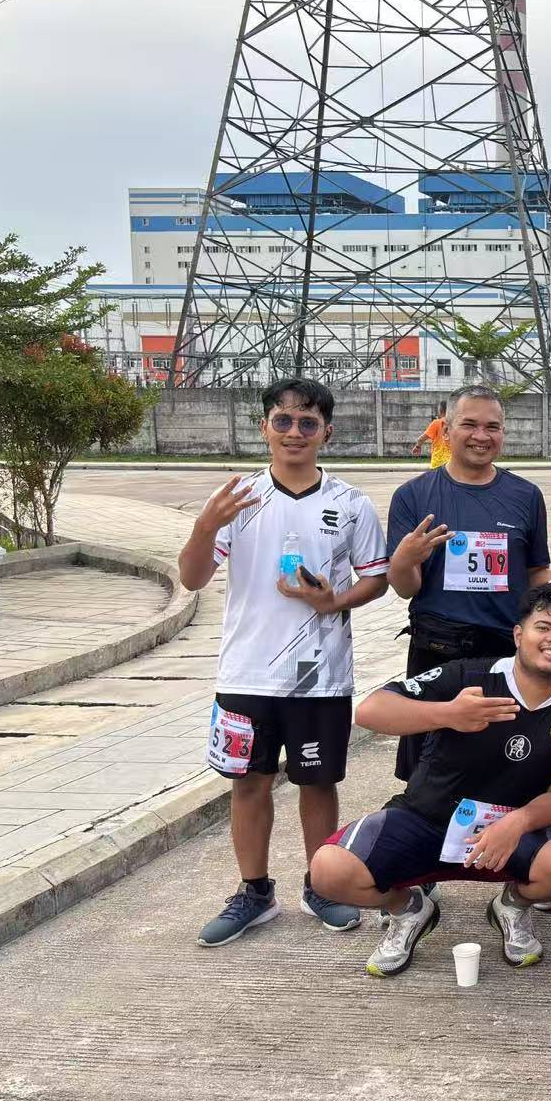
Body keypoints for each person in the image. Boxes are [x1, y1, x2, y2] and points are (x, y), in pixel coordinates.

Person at [180, 378, 390, 947]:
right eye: (283, 421)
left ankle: (322, 886)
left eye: (307, 423)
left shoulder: (350, 503)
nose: (295, 432)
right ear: (264, 427)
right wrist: (205, 526)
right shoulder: (237, 500)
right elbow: (192, 578)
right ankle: (254, 892)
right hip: (247, 671)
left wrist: (333, 602)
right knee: (248, 783)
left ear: (327, 432)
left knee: (317, 783)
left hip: (320, 674)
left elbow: (376, 578)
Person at [311, 581, 551, 977]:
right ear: (519, 634)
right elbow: (370, 711)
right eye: (544, 627)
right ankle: (408, 909)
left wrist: (517, 822)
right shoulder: (469, 676)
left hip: (511, 832)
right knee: (328, 870)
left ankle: (512, 906)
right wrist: (449, 714)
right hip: (426, 819)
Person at [385, 385, 551, 781]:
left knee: (505, 770)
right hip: (437, 651)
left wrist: (545, 607)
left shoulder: (526, 496)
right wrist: (405, 559)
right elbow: (405, 587)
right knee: (428, 774)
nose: (482, 436)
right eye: (469, 425)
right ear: (445, 431)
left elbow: (537, 572)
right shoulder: (413, 496)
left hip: (504, 652)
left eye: (492, 427)